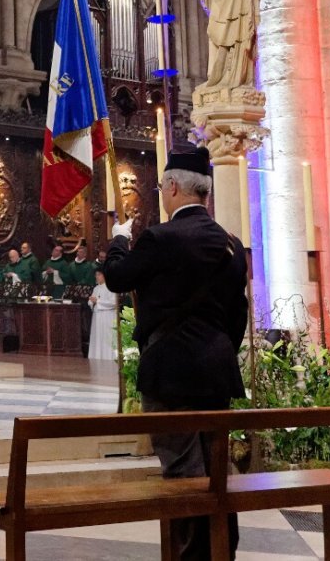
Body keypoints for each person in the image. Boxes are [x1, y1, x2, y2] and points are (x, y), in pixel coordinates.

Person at [103, 144, 247, 561]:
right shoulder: (231, 244)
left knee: (183, 472)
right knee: (216, 472)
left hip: (170, 372)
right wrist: (216, 351)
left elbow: (116, 277)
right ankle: (223, 551)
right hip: (217, 372)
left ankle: (193, 557)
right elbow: (237, 316)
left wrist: (118, 239)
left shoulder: (160, 238)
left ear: (171, 188)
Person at [87, 270, 118, 360]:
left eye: (99, 275)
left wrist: (98, 301)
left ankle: (109, 357)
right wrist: (91, 301)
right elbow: (91, 301)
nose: (97, 277)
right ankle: (96, 357)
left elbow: (113, 302)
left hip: (108, 316)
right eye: (96, 275)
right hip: (97, 317)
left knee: (107, 337)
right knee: (98, 337)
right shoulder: (96, 288)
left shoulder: (111, 287)